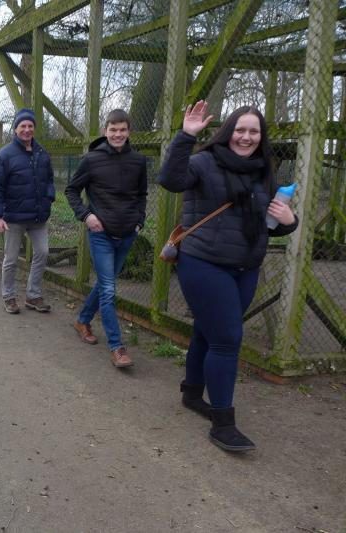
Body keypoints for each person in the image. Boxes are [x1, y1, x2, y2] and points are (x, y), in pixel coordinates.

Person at [158, 101, 297, 452]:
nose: (246, 137)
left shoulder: (264, 170)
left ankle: (192, 393)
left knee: (208, 331)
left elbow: (268, 225)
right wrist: (185, 136)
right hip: (204, 262)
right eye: (240, 130)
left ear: (261, 136)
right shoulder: (204, 162)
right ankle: (223, 424)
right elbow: (170, 180)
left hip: (245, 266)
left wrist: (289, 221)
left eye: (254, 131)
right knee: (227, 338)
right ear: (228, 132)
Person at [65, 109, 147, 368]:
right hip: (101, 234)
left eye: (122, 130)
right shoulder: (92, 159)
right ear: (105, 131)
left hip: (127, 234)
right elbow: (71, 190)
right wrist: (86, 215)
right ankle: (116, 347)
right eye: (113, 129)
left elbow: (142, 194)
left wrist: (140, 221)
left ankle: (82, 320)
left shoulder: (138, 161)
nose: (118, 134)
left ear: (129, 131)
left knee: (104, 283)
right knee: (109, 290)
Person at [0, 108, 56, 314]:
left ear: (34, 128)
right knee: (11, 258)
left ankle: (33, 295)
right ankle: (9, 296)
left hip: (38, 215)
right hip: (14, 217)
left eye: (30, 126)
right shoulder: (5, 155)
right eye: (23, 126)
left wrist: (49, 197)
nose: (27, 129)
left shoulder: (42, 153)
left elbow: (49, 180)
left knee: (42, 253)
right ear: (15, 129)